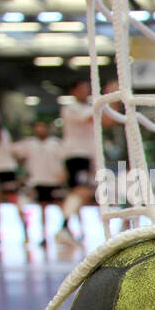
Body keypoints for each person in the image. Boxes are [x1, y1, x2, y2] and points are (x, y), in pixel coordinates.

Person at [57, 78, 97, 247]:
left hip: (86, 156)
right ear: (73, 91)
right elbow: (93, 118)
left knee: (81, 193)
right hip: (76, 155)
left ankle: (68, 229)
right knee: (80, 191)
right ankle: (63, 227)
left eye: (87, 88)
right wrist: (110, 98)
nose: (85, 91)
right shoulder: (71, 108)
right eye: (82, 88)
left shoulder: (87, 107)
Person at [14, 120, 65, 247]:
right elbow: (14, 152)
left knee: (63, 207)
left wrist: (62, 175)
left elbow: (64, 160)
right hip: (37, 181)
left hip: (54, 181)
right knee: (41, 210)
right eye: (38, 127)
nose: (40, 129)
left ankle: (67, 231)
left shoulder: (56, 143)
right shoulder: (29, 144)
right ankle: (41, 235)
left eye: (42, 127)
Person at [0, 127, 28, 247]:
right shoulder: (3, 131)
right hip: (1, 170)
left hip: (0, 170)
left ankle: (21, 233)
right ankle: (23, 233)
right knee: (7, 202)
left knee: (6, 202)